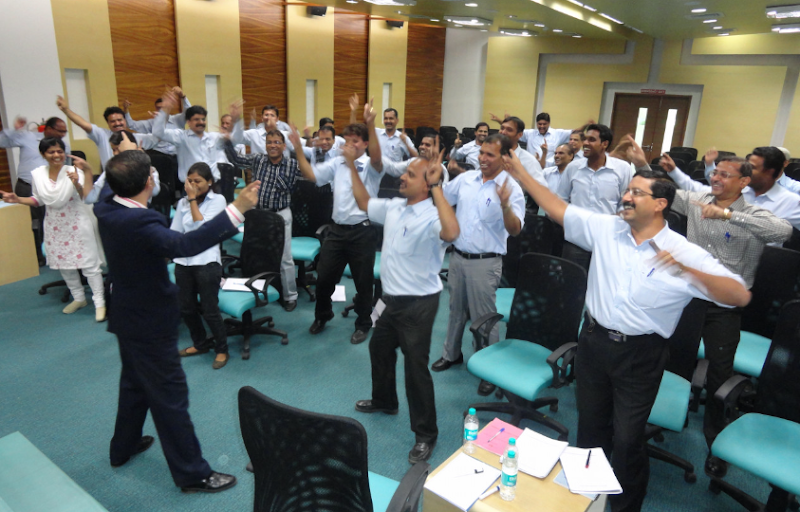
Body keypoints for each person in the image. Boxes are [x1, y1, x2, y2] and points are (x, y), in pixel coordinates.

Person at [502, 150, 751, 512]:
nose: (626, 197)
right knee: (590, 428)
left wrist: (687, 272)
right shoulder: (608, 229)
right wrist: (522, 175)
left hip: (640, 355)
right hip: (593, 343)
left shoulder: (681, 251)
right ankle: (588, 498)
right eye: (627, 190)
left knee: (628, 439)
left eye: (636, 192)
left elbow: (740, 295)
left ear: (660, 204)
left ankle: (624, 506)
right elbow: (558, 209)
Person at [93, 135, 262, 493]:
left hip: (126, 314)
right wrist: (237, 208)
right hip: (148, 322)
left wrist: (125, 153)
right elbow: (185, 244)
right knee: (170, 398)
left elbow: (112, 181)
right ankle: (193, 474)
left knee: (134, 384)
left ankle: (122, 447)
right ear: (147, 183)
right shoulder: (140, 222)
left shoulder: (106, 205)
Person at [655, 150, 793, 477]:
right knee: (671, 358)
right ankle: (665, 416)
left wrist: (728, 216)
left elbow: (783, 232)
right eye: (715, 172)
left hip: (724, 305)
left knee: (720, 374)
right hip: (689, 296)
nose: (715, 178)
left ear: (744, 182)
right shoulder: (697, 200)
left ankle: (715, 441)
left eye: (725, 175)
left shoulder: (754, 213)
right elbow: (663, 193)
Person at [349, 137, 459, 464]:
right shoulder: (395, 206)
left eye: (410, 175)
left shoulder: (434, 215)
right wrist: (349, 166)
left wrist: (437, 187)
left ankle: (426, 434)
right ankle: (385, 400)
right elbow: (363, 202)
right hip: (389, 300)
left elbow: (452, 233)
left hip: (418, 305)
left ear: (426, 184)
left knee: (415, 368)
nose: (401, 177)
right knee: (379, 349)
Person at [432, 134, 526, 398]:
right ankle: (451, 354)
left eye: (490, 154)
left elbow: (515, 229)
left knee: (484, 318)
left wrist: (505, 205)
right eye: (481, 153)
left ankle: (488, 369)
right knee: (455, 310)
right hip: (458, 258)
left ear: (504, 158)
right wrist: (435, 181)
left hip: (485, 263)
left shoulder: (511, 188)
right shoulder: (467, 179)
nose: (482, 158)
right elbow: (442, 199)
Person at [294, 98, 386, 344]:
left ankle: (363, 323)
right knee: (324, 278)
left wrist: (370, 123)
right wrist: (297, 148)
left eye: (355, 141)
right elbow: (311, 175)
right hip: (336, 231)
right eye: (346, 141)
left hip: (362, 232)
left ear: (365, 144)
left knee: (363, 283)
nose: (349, 146)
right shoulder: (337, 163)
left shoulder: (371, 166)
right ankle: (323, 315)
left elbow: (377, 157)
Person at [1, 138, 106, 321]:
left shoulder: (74, 172)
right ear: (43, 154)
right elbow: (38, 200)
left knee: (89, 265)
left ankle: (100, 303)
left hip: (77, 223)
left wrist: (77, 183)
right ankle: (79, 298)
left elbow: (86, 197)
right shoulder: (38, 175)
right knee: (64, 265)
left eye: (59, 151)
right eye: (51, 152)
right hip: (55, 226)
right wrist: (18, 199)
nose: (56, 155)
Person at [224, 128, 303, 311]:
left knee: (284, 258)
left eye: (277, 142)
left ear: (284, 146)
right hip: (259, 214)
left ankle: (290, 296)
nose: (272, 146)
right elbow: (236, 160)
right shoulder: (258, 159)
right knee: (256, 253)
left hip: (280, 215)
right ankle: (256, 291)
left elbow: (312, 174)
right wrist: (227, 141)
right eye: (269, 142)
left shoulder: (292, 165)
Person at [172, 163, 230, 369]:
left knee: (209, 309)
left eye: (197, 181)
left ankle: (222, 349)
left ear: (210, 182)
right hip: (184, 260)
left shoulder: (218, 200)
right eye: (189, 181)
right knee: (186, 308)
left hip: (206, 262)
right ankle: (200, 343)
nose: (193, 185)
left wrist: (191, 200)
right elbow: (176, 230)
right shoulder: (182, 202)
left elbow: (202, 228)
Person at [556, 123, 633, 270]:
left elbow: (626, 202)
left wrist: (617, 223)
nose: (585, 143)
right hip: (576, 238)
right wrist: (568, 224)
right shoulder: (573, 167)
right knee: (572, 279)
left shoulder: (622, 169)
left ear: (604, 144)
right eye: (585, 139)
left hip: (608, 238)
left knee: (602, 280)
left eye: (591, 140)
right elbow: (561, 199)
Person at [1, 115, 71, 265]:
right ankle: (36, 257)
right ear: (49, 129)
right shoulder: (28, 137)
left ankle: (54, 253)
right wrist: (15, 130)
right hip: (26, 187)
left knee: (51, 220)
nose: (63, 134)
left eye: (65, 131)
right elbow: (2, 142)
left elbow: (68, 167)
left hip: (52, 188)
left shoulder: (64, 145)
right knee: (30, 223)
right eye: (60, 131)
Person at [152, 90, 243, 185]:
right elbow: (158, 133)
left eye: (203, 119)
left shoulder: (213, 137)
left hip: (213, 186)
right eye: (196, 119)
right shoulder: (181, 137)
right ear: (188, 122)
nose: (201, 122)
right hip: (191, 186)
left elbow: (236, 140)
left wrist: (237, 120)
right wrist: (165, 110)